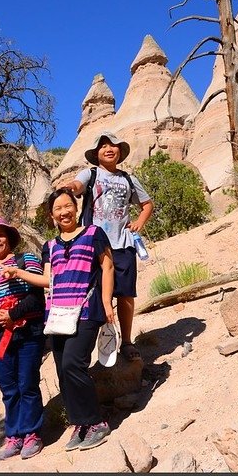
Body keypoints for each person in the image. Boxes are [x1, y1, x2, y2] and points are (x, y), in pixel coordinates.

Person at [4, 188, 115, 452]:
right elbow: (47, 280)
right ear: (52, 215)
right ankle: (80, 424)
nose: (64, 212)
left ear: (76, 208)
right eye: (58, 209)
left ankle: (97, 422)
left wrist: (108, 301)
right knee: (62, 372)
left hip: (86, 310)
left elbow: (107, 266)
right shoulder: (50, 246)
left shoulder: (93, 234)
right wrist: (18, 272)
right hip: (56, 315)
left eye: (68, 206)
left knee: (72, 364)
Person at [63, 131, 153, 362]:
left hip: (122, 244)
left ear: (120, 152)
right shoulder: (90, 174)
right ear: (96, 153)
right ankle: (100, 342)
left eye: (113, 145)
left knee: (125, 295)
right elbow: (77, 185)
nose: (109, 149)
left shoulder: (129, 179)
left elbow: (147, 204)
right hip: (95, 245)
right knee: (95, 295)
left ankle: (127, 341)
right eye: (103, 146)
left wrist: (139, 223)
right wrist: (71, 187)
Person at [0, 217, 46, 461]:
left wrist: (12, 314)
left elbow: (37, 299)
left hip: (28, 332)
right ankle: (14, 434)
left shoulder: (27, 261)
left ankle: (32, 433)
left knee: (27, 383)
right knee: (8, 387)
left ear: (9, 237)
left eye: (0, 234)